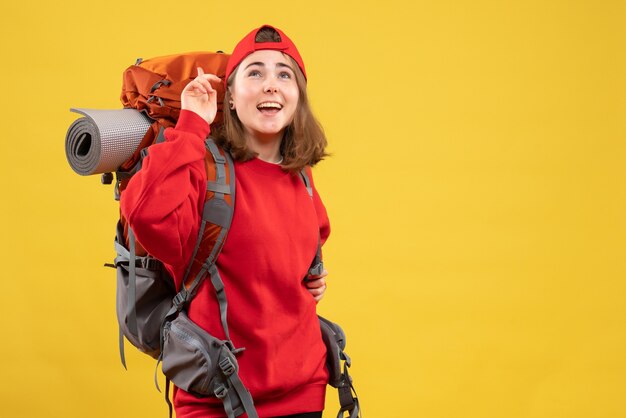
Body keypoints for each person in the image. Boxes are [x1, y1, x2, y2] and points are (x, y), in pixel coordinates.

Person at [120, 25, 332, 418]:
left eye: (284, 74)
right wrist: (191, 125)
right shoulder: (201, 168)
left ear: (298, 96)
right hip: (216, 400)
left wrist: (307, 278)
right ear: (230, 97)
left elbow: (309, 238)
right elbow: (148, 217)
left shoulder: (300, 175)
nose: (271, 84)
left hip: (305, 393)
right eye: (255, 72)